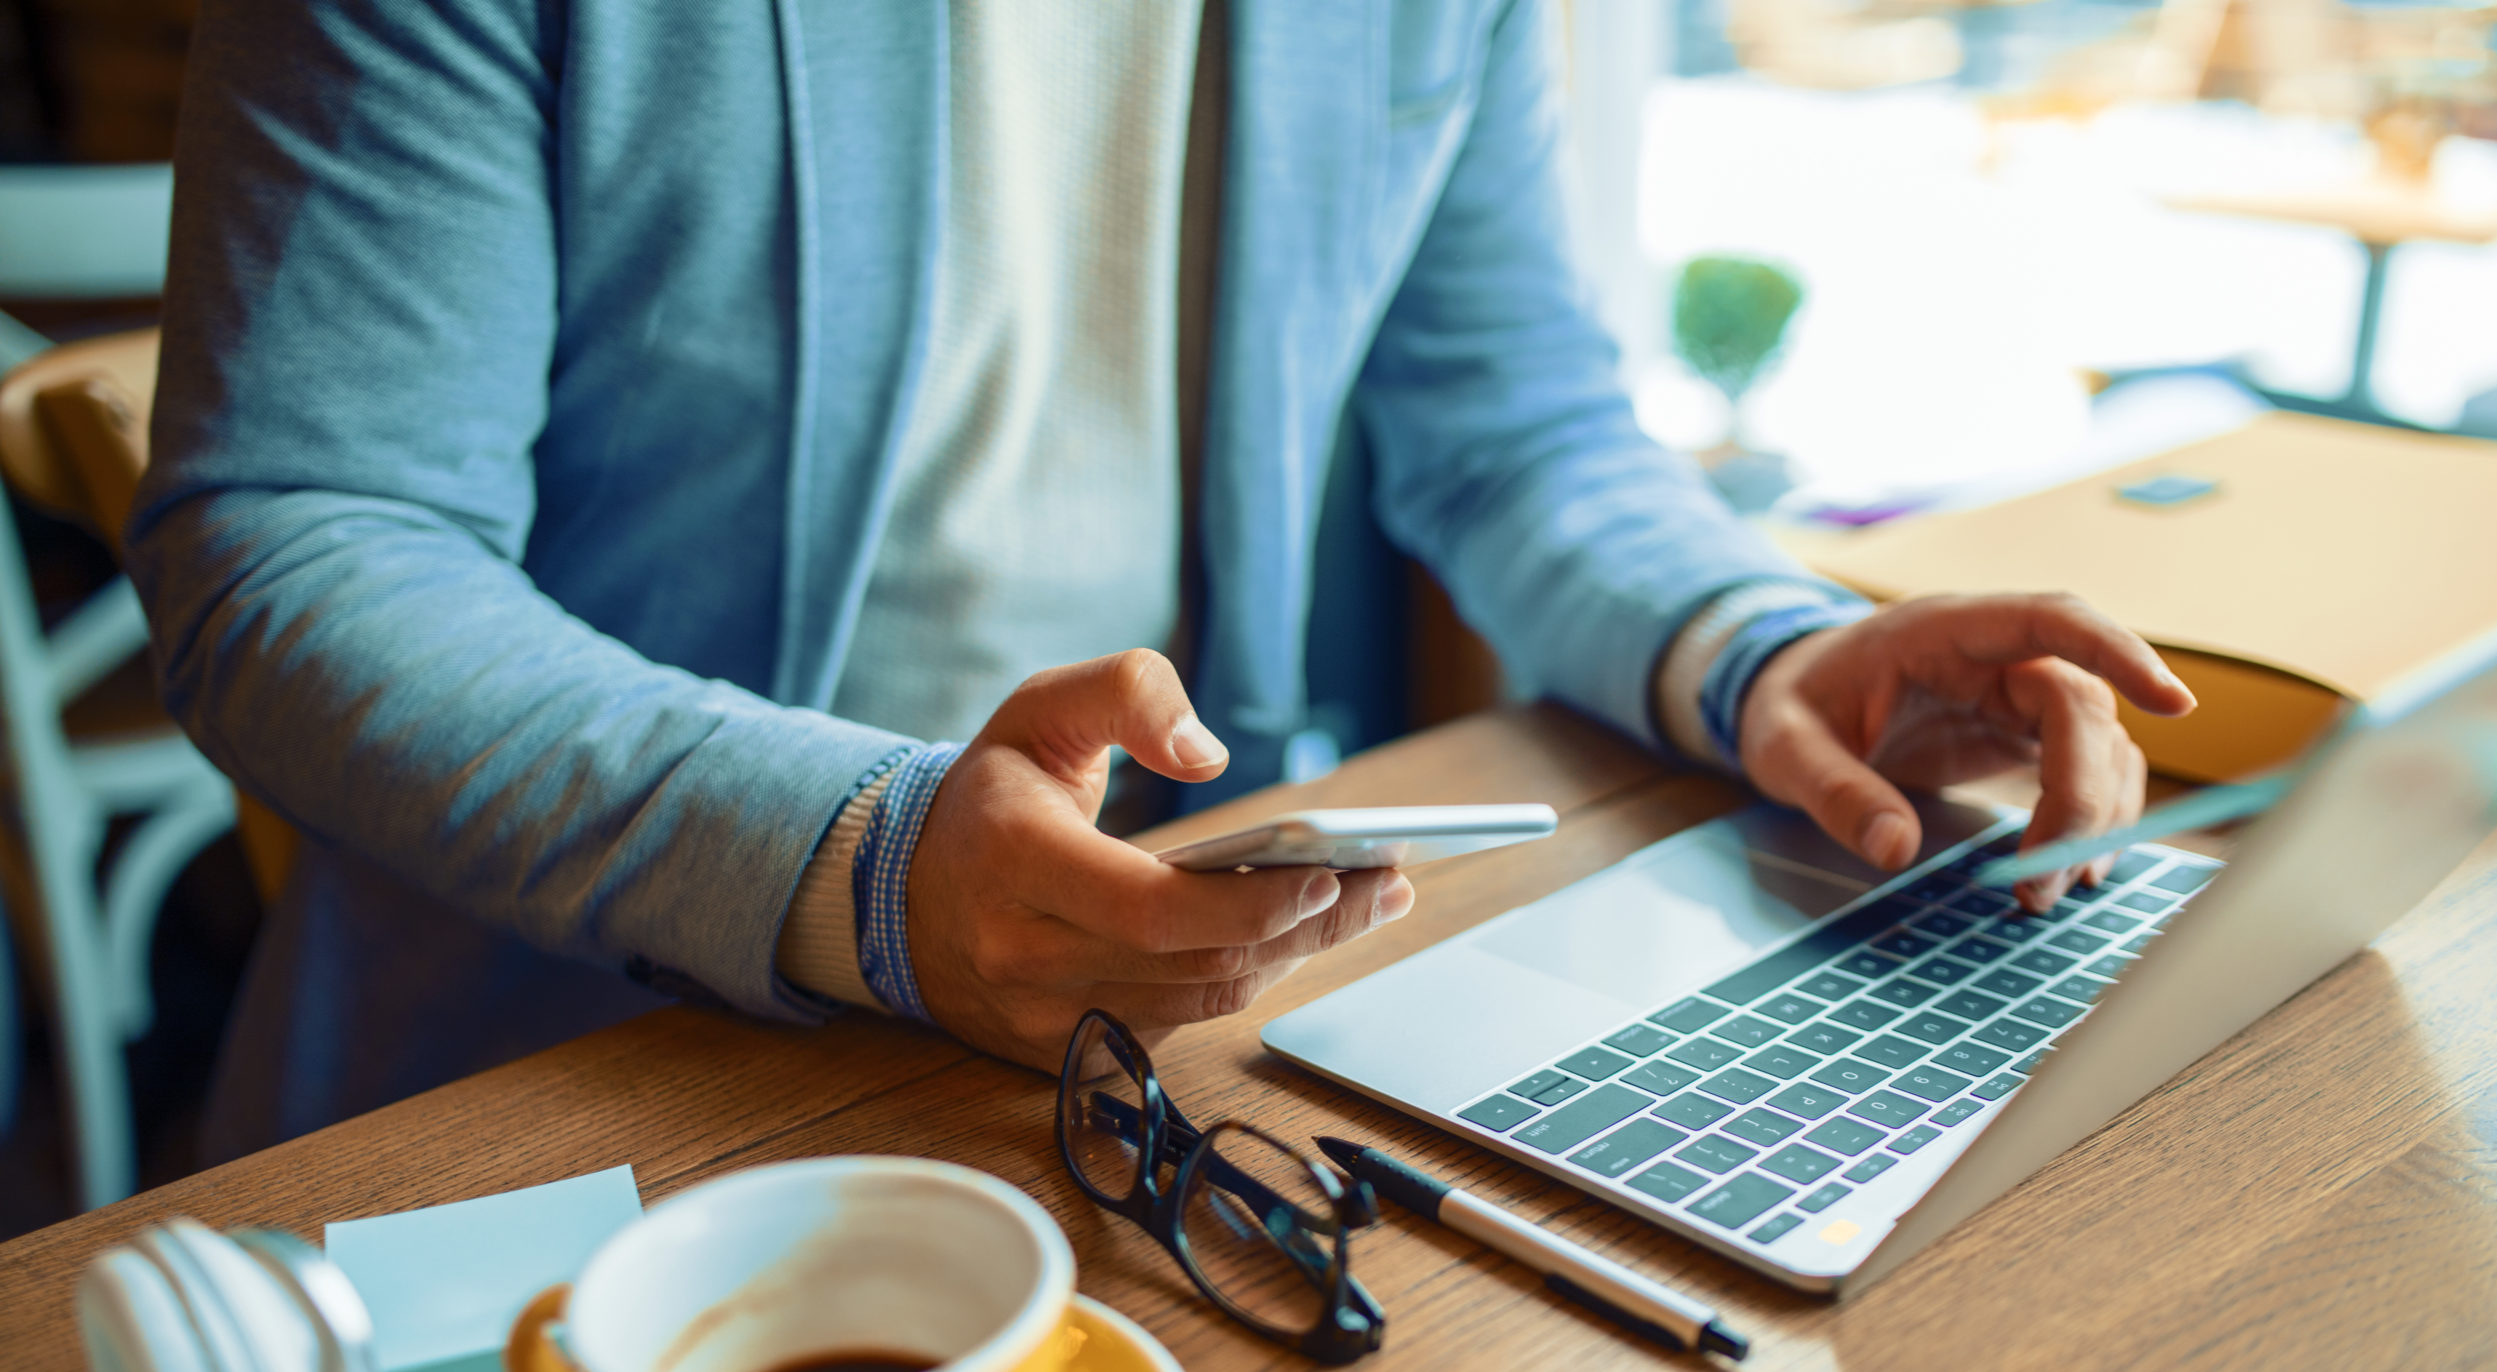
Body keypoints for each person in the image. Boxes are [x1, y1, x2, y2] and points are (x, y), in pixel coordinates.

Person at [131, 0, 2192, 1156]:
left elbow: (1510, 422)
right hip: (580, 1047)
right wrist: (859, 858)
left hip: (1197, 1017)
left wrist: (1767, 644)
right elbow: (305, 534)